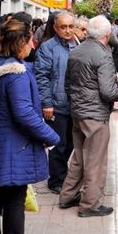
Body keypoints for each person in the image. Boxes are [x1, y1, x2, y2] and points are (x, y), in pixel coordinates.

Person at [0, 19, 60, 234]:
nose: (33, 46)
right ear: (19, 44)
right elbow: (24, 114)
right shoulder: (16, 75)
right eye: (30, 41)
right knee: (14, 199)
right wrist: (51, 136)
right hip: (13, 148)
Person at [58, 16, 118, 218]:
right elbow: (108, 92)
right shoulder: (103, 55)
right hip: (95, 114)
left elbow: (67, 84)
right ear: (106, 34)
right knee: (96, 160)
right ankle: (90, 204)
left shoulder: (76, 50)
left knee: (79, 156)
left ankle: (67, 196)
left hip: (78, 111)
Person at [34, 10, 78, 194]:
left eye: (70, 26)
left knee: (72, 143)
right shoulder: (47, 47)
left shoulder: (78, 45)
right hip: (56, 105)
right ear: (55, 27)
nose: (68, 31)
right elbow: (41, 77)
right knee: (58, 145)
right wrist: (47, 103)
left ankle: (61, 173)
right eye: (63, 27)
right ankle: (56, 180)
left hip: (75, 104)